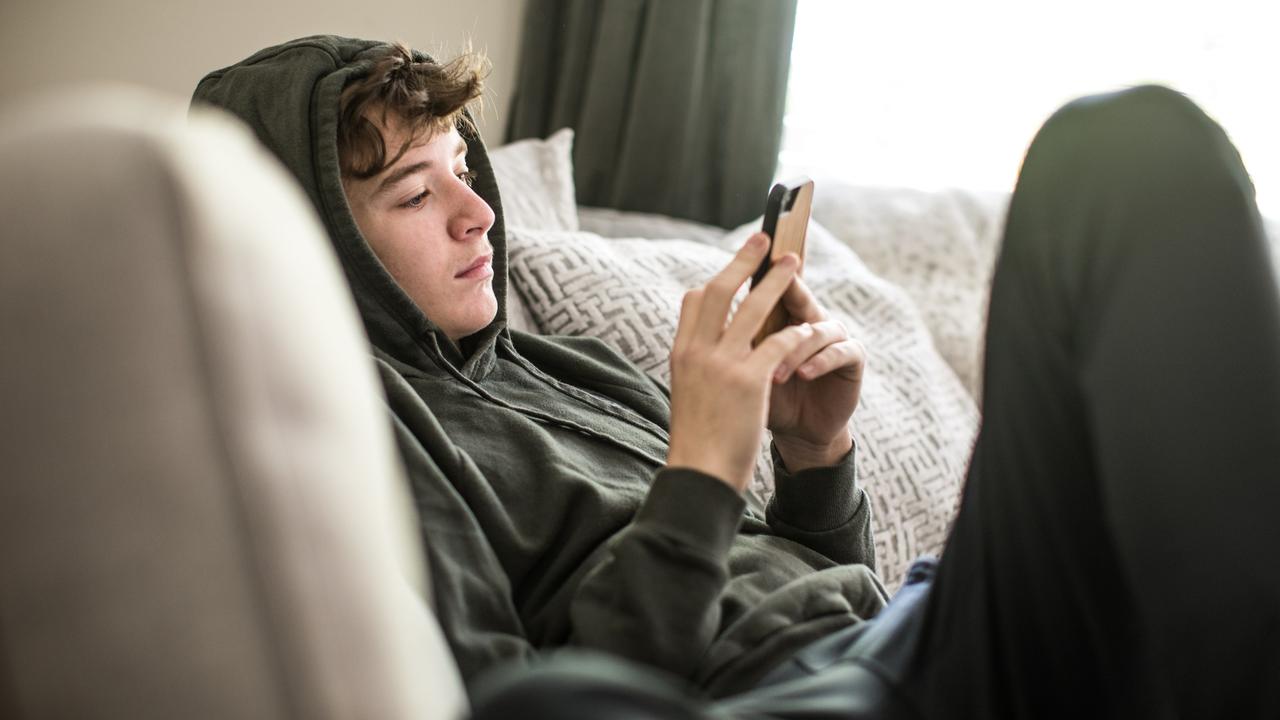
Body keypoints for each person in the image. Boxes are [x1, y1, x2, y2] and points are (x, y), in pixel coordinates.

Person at [195, 36, 1280, 718]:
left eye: (463, 169)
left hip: (904, 634)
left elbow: (804, 589)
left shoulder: (565, 367)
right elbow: (535, 696)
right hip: (796, 695)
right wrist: (704, 470)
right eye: (413, 193)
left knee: (1125, 151)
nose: (477, 212)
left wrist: (813, 460)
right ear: (309, 238)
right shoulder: (363, 442)